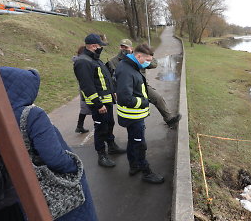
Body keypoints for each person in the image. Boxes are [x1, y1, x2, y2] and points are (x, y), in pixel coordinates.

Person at [0, 67, 111, 221]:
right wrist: (73, 166)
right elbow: (54, 157)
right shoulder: (32, 115)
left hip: (26, 191)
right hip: (58, 188)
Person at [73, 33, 126, 167]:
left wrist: (113, 91)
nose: (101, 48)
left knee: (109, 123)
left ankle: (112, 145)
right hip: (99, 104)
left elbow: (106, 78)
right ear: (93, 46)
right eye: (100, 46)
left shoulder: (95, 59)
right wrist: (98, 104)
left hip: (107, 100)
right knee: (101, 128)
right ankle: (101, 155)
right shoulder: (83, 61)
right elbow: (87, 85)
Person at [115, 43, 164, 183]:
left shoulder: (130, 65)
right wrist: (144, 102)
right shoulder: (126, 70)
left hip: (132, 115)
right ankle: (146, 172)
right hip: (132, 116)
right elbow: (125, 98)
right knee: (139, 144)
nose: (148, 63)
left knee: (132, 141)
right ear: (138, 56)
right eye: (147, 60)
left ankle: (134, 165)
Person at [106, 39, 181, 128]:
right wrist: (114, 90)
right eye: (122, 46)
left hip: (142, 85)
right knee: (134, 107)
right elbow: (111, 78)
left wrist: (143, 58)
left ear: (131, 48)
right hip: (128, 88)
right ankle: (138, 125)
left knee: (158, 98)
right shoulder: (114, 61)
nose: (123, 49)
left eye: (126, 47)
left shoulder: (140, 56)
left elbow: (154, 64)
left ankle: (169, 119)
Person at [72, 45, 91, 134]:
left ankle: (79, 126)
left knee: (85, 106)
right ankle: (79, 126)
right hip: (84, 86)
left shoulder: (80, 61)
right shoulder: (80, 62)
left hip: (83, 85)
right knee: (86, 105)